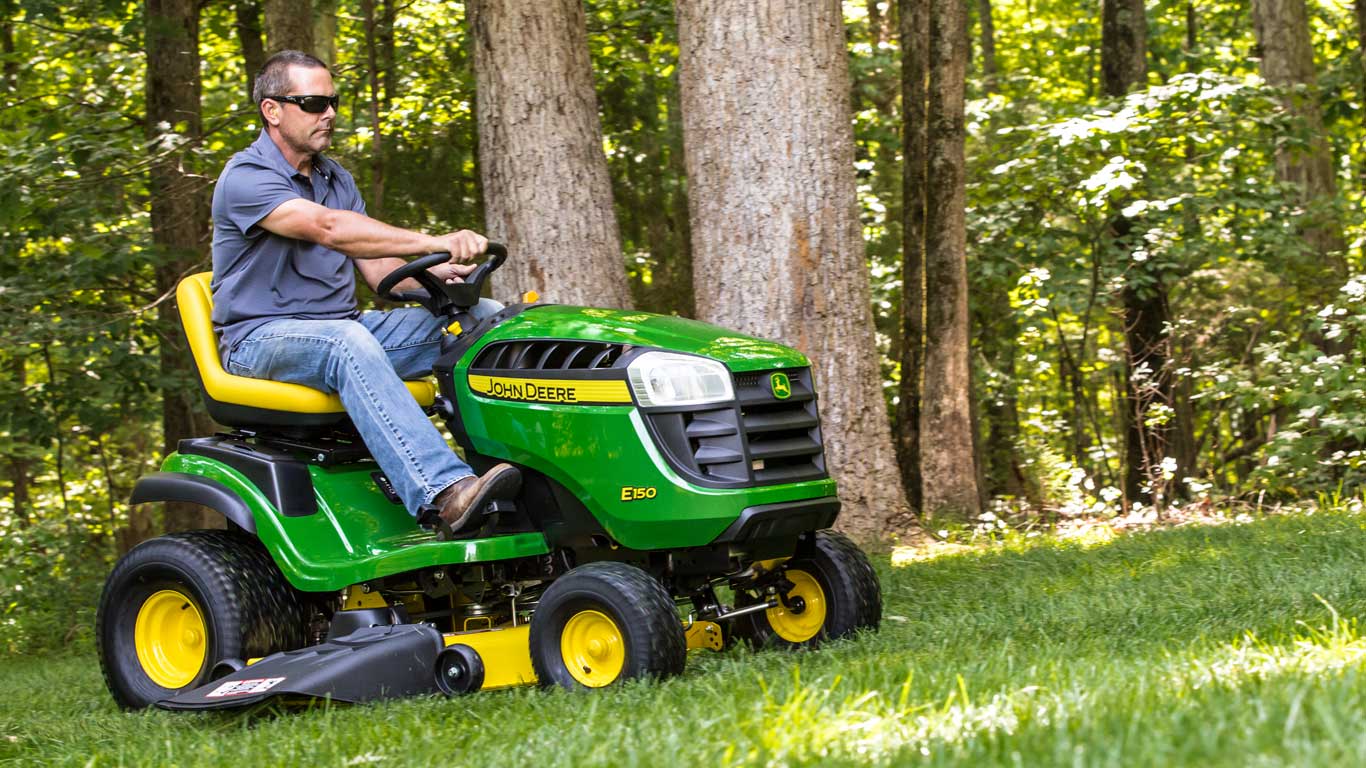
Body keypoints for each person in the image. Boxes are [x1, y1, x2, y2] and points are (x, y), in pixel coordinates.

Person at [210, 50, 519, 535]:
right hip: (259, 340)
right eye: (312, 102)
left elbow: (378, 271)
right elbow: (329, 228)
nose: (328, 113)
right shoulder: (246, 177)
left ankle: (521, 477)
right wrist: (435, 239)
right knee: (346, 343)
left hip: (344, 329)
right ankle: (444, 492)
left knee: (488, 320)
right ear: (272, 110)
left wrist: (437, 275)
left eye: (333, 101)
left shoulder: (336, 179)